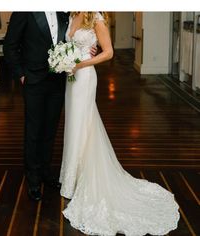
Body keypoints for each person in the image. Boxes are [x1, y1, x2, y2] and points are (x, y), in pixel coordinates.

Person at [59, 12, 180, 236]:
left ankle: (82, 180)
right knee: (75, 125)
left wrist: (81, 63)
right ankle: (72, 178)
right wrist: (65, 60)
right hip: (71, 78)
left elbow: (109, 53)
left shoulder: (96, 17)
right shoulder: (71, 14)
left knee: (83, 124)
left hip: (84, 76)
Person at [3, 12, 69, 201]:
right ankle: (32, 178)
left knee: (50, 129)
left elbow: (69, 38)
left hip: (57, 80)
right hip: (33, 80)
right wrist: (21, 74)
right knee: (34, 131)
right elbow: (10, 46)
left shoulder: (63, 12)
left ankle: (46, 172)